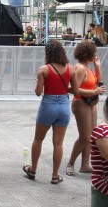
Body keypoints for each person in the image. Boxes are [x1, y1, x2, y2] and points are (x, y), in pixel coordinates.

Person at [24, 40, 79, 184]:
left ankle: (33, 170)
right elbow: (76, 91)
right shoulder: (71, 69)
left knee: (38, 139)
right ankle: (55, 176)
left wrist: (39, 81)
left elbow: (38, 92)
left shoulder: (44, 69)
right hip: (64, 105)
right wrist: (62, 88)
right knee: (58, 144)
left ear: (48, 53)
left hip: (48, 105)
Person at [67, 40, 105, 175]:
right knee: (85, 137)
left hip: (90, 104)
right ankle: (70, 163)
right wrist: (94, 92)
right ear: (87, 54)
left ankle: (85, 165)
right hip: (81, 103)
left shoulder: (88, 67)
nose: (95, 55)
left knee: (91, 136)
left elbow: (98, 82)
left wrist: (97, 66)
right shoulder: (80, 68)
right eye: (93, 53)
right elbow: (74, 89)